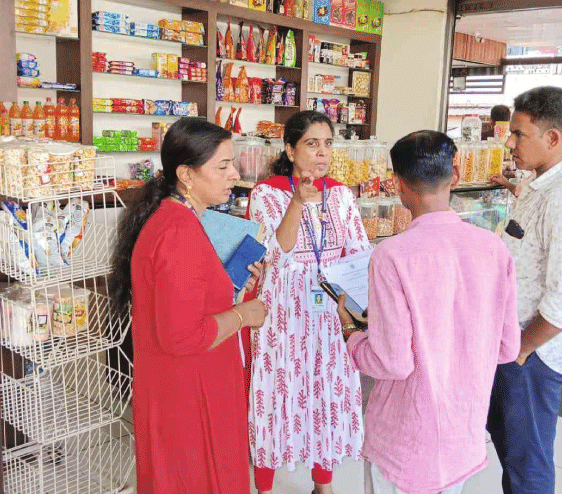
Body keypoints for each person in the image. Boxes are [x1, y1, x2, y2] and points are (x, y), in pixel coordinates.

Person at [337, 130, 521, 494]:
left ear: (396, 184)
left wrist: (352, 334)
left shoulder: (392, 255)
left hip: (406, 440)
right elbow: (507, 347)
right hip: (462, 436)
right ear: (456, 175)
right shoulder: (493, 248)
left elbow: (392, 362)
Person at [108, 118, 267, 494]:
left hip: (187, 386)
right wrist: (243, 315)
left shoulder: (178, 219)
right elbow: (181, 336)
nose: (234, 174)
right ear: (186, 174)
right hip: (188, 396)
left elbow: (189, 299)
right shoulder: (178, 232)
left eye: (232, 164)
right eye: (223, 166)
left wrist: (232, 287)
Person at [246, 111, 371, 494]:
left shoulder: (342, 194)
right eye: (311, 144)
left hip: (331, 309)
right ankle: (264, 486)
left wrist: (360, 304)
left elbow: (359, 251)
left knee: (326, 393)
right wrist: (297, 203)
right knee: (276, 394)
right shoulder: (266, 193)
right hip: (282, 312)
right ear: (290, 150)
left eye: (327, 144)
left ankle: (323, 483)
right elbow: (274, 253)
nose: (322, 153)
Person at [486, 86, 562, 494]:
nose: (510, 143)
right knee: (512, 450)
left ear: (552, 138)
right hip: (518, 345)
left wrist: (522, 348)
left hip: (535, 353)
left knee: (527, 463)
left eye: (519, 134)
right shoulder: (541, 186)